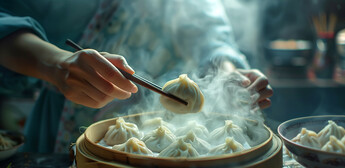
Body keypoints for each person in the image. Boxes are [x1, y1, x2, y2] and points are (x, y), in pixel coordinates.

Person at [0, 0, 273, 153]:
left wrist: (229, 75)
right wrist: (55, 63)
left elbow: (209, 33)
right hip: (59, 123)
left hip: (173, 133)